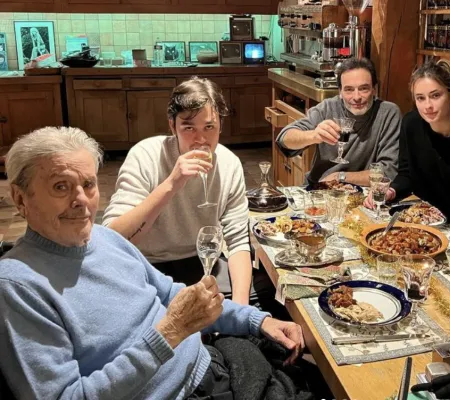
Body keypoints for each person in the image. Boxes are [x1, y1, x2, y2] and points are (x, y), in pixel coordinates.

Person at [0, 127, 304, 399]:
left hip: (212, 367)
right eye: (60, 186)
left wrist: (257, 320)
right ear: (20, 198)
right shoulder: (18, 286)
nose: (81, 200)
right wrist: (170, 333)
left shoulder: (106, 238)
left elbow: (173, 295)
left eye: (88, 184)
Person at [102, 77, 272, 311]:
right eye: (189, 127)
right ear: (173, 126)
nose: (201, 139)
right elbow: (112, 238)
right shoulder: (145, 156)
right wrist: (172, 183)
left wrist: (240, 312)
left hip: (201, 262)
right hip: (147, 265)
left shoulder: (229, 164)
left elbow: (237, 241)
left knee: (268, 292)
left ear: (221, 126)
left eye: (209, 127)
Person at [364, 60, 450, 221]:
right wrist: (391, 190)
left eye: (435, 96)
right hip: (424, 216)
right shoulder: (411, 124)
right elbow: (406, 174)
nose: (428, 105)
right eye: (420, 98)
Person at [275, 57, 401, 186]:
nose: (356, 97)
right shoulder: (328, 108)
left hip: (363, 192)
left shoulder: (388, 113)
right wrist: (313, 135)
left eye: (363, 88)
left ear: (374, 89)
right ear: (340, 92)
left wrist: (340, 177)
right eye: (349, 90)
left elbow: (389, 171)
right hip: (319, 189)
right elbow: (283, 139)